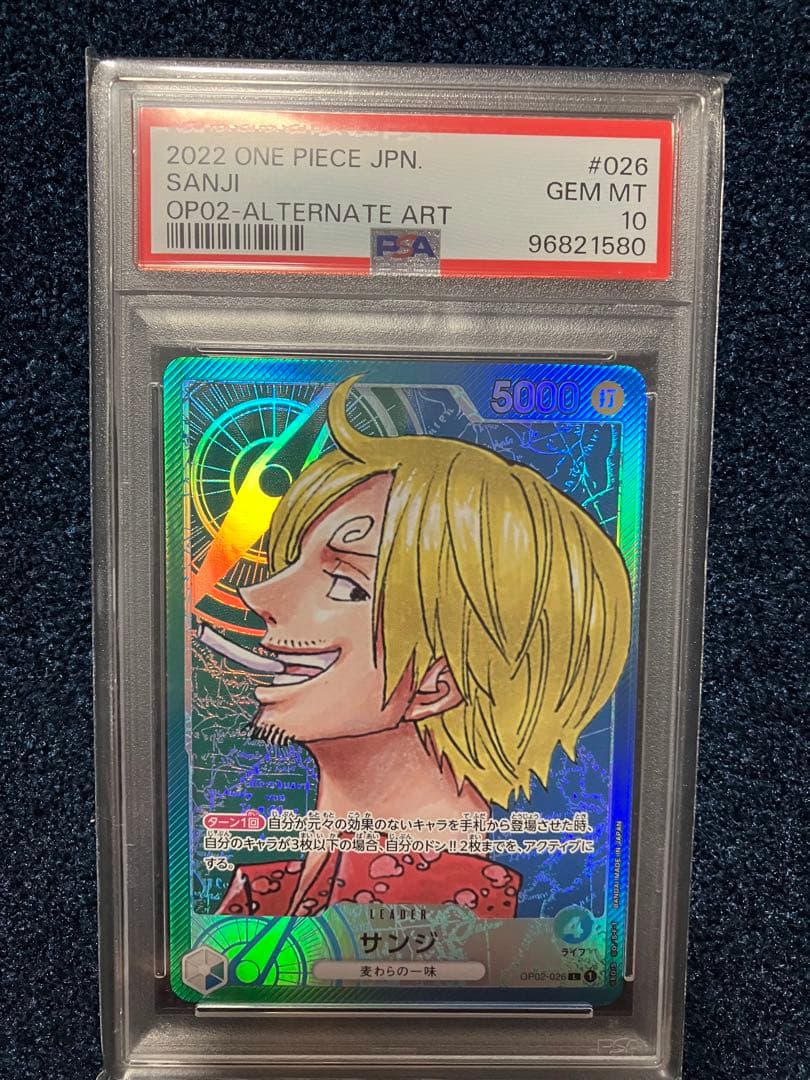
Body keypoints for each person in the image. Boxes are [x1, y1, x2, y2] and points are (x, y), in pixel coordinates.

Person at [217, 377, 631, 919]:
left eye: (344, 584)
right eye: (291, 564)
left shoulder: (453, 905)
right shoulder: (269, 893)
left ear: (438, 683)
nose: (259, 596)